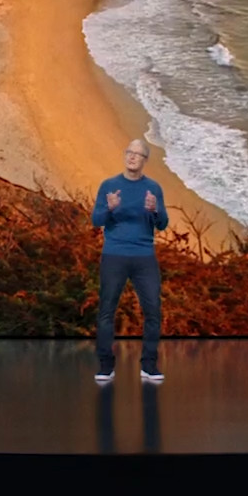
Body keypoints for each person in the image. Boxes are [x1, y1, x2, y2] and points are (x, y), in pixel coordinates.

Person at [91, 138, 168, 385]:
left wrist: (155, 210)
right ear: (125, 156)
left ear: (145, 160)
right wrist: (110, 208)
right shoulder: (109, 185)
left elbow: (163, 224)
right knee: (106, 311)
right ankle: (105, 366)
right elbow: (96, 220)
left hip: (144, 256)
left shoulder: (153, 188)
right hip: (114, 254)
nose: (132, 157)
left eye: (138, 154)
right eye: (129, 152)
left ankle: (149, 365)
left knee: (153, 311)